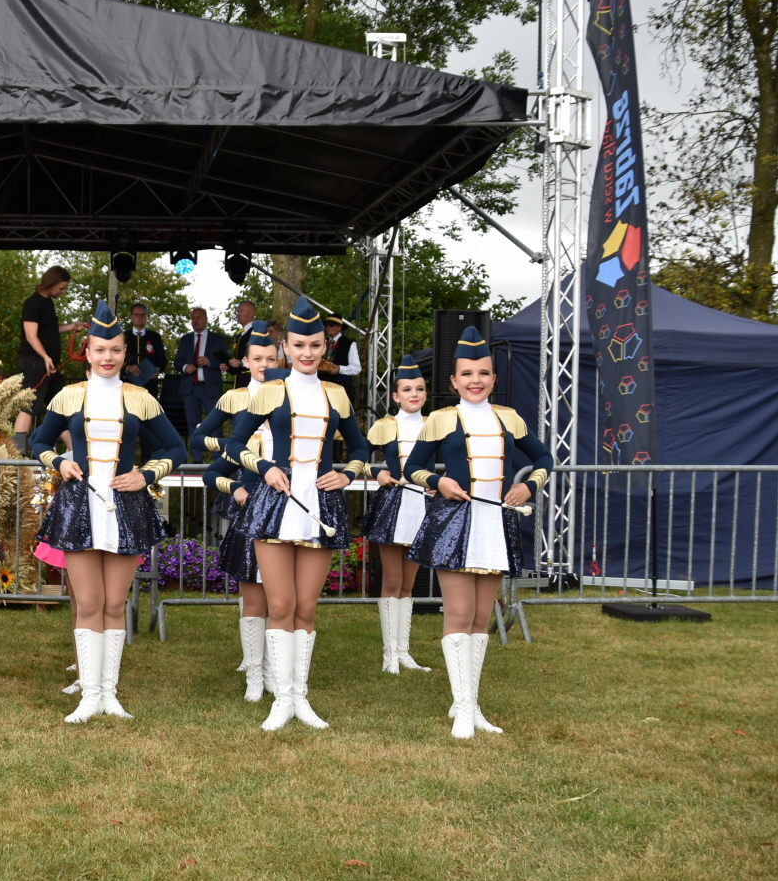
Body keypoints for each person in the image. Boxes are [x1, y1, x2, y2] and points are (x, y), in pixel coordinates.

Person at [32, 300, 185, 724]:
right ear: (87, 351)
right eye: (100, 349)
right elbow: (38, 442)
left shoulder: (141, 398)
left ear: (124, 352)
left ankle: (109, 694)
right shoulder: (68, 395)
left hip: (126, 508)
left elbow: (176, 448)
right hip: (78, 506)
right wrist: (58, 463)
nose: (108, 357)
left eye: (116, 350)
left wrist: (146, 474)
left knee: (115, 603)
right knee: (89, 602)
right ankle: (89, 694)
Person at [223, 298, 369, 732]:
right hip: (275, 503)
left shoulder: (336, 393)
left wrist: (348, 474)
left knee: (306, 606)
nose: (308, 353)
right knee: (281, 603)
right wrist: (264, 467)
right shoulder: (271, 390)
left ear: (326, 348)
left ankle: (299, 696)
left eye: (316, 345)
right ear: (285, 347)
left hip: (320, 504)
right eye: (300, 345)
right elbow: (234, 444)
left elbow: (360, 447)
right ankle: (281, 698)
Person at [403, 327, 551, 739]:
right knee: (459, 613)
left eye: (483, 373)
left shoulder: (509, 418)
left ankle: (470, 703)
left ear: (494, 378)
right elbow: (411, 468)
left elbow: (544, 457)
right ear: (453, 380)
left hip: (495, 526)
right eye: (467, 373)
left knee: (481, 618)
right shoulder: (440, 419)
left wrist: (529, 486)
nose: (476, 380)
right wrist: (438, 483)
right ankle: (463, 708)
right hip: (454, 524)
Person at [192, 321, 288, 701]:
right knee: (252, 588)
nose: (264, 364)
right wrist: (236, 448)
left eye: (270, 358)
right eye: (257, 358)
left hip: (287, 496)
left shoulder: (292, 394)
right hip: (251, 490)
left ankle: (276, 669)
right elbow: (199, 437)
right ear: (245, 362)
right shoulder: (234, 398)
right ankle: (253, 670)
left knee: (282, 593)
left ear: (280, 360)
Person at [362, 355, 433, 675]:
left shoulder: (435, 424)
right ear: (396, 396)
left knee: (409, 583)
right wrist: (376, 472)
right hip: (393, 505)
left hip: (423, 505)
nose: (414, 394)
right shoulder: (384, 425)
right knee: (392, 580)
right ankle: (389, 653)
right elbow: (359, 456)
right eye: (407, 389)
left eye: (419, 388)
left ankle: (404, 651)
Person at [13, 266, 85, 454]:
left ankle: (75, 450)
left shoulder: (47, 303)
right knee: (28, 406)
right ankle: (17, 454)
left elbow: (50, 330)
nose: (62, 292)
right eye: (61, 288)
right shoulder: (33, 303)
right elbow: (31, 335)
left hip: (50, 365)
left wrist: (72, 327)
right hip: (35, 364)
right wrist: (45, 356)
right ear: (51, 283)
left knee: (60, 406)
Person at [173, 307, 230, 458]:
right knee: (193, 424)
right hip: (189, 389)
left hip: (211, 389)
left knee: (215, 424)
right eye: (193, 318)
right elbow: (177, 362)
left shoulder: (217, 339)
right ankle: (196, 460)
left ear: (205, 319)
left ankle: (218, 459)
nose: (195, 320)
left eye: (199, 317)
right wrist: (185, 367)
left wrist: (209, 362)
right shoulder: (185, 339)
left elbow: (226, 362)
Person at [123, 302, 165, 392]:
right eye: (137, 314)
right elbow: (116, 361)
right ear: (131, 316)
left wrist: (158, 369)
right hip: (127, 385)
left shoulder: (155, 337)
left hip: (150, 385)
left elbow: (162, 360)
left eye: (143, 314)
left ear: (146, 317)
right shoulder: (123, 337)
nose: (140, 317)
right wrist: (127, 368)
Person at [317, 315, 362, 392]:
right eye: (326, 325)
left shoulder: (349, 343)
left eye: (331, 325)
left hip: (340, 387)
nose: (328, 327)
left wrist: (339, 369)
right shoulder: (322, 342)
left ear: (339, 327)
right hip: (320, 386)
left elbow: (357, 368)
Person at [225, 300, 258, 388]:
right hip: (240, 382)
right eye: (238, 311)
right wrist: (229, 366)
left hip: (252, 383)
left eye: (241, 311)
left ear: (251, 313)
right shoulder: (239, 336)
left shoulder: (257, 332)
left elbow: (259, 359)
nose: (238, 314)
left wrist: (240, 363)